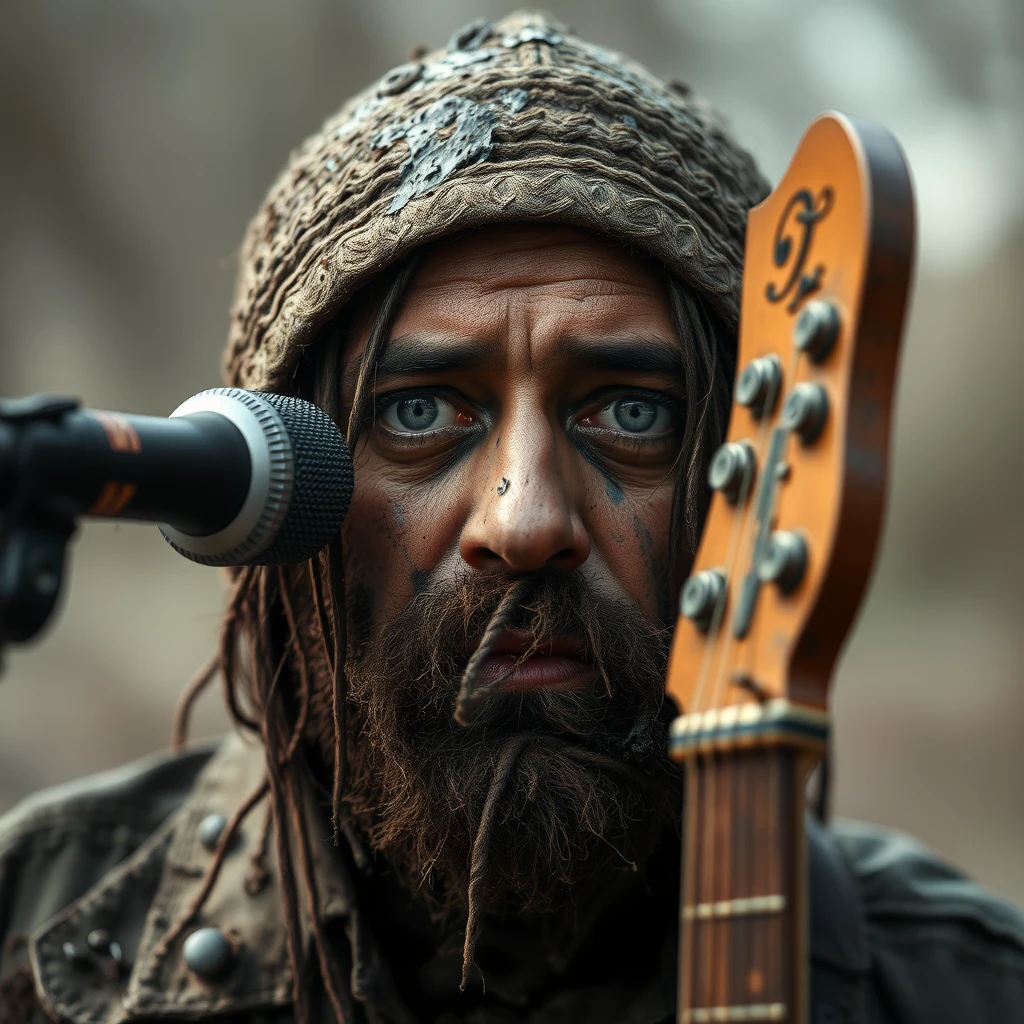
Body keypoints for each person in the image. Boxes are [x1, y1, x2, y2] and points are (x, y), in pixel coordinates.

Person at [1, 11, 1022, 1024]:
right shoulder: (28, 940)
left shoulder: (971, 992)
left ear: (746, 475)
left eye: (631, 412)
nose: (525, 522)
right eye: (418, 413)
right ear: (279, 500)